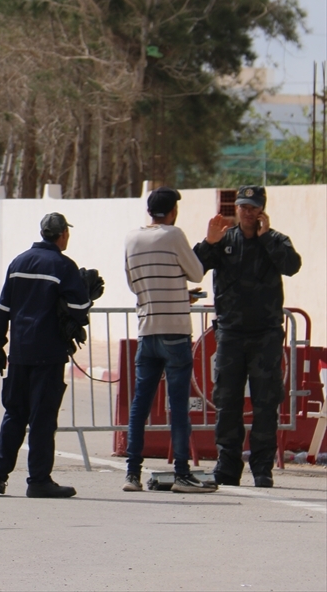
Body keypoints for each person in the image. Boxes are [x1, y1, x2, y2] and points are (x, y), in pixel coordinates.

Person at [194, 186, 301, 488]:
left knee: (266, 403)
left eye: (253, 208)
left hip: (265, 334)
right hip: (230, 333)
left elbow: (292, 266)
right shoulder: (225, 239)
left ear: (262, 210)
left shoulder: (275, 240)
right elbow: (195, 268)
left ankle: (262, 468)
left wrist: (266, 237)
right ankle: (227, 466)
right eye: (243, 206)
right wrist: (208, 242)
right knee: (227, 401)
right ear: (237, 208)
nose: (247, 212)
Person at [0, 213, 93, 498]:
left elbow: (3, 309)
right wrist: (86, 294)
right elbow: (80, 309)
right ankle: (39, 480)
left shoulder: (19, 262)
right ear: (62, 236)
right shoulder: (63, 265)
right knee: (43, 418)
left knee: (14, 415)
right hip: (48, 354)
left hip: (19, 354)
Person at [122, 187, 217, 493]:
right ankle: (181, 473)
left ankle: (132, 473)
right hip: (175, 330)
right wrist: (209, 244)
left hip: (147, 328)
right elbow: (196, 272)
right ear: (172, 211)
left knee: (140, 404)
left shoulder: (131, 238)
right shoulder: (174, 235)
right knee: (178, 406)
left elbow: (134, 283)